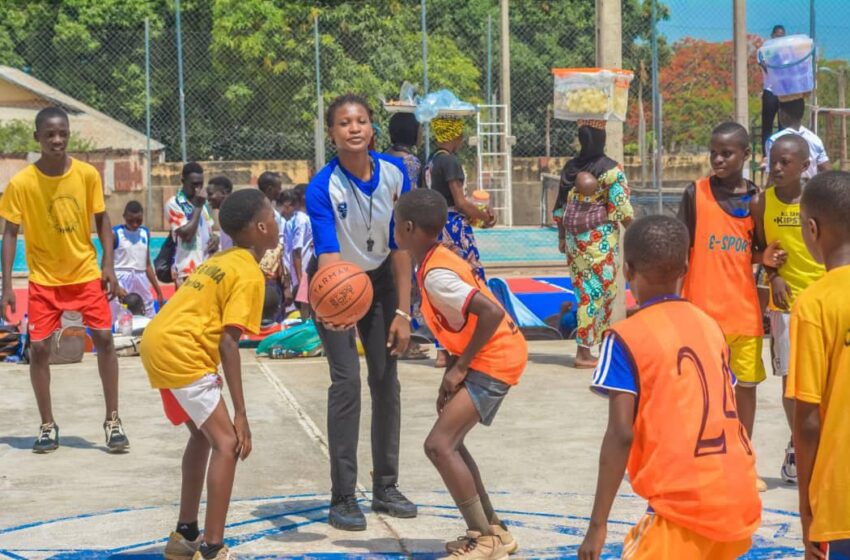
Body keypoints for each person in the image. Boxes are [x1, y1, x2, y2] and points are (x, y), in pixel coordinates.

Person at [578, 215, 761, 560]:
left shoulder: (625, 338)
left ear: (627, 270)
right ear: (687, 266)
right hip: (738, 496)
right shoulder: (709, 327)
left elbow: (620, 434)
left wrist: (597, 525)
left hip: (684, 506)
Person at [141, 188, 279, 560]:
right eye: (274, 215)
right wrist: (240, 413)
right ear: (263, 227)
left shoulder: (223, 258)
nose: (279, 221)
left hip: (158, 340)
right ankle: (213, 548)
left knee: (203, 439)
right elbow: (228, 344)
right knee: (227, 443)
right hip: (182, 351)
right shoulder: (249, 273)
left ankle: (185, 535)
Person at [395, 188, 526, 559]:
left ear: (406, 227)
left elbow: (490, 312)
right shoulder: (436, 259)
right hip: (490, 355)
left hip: (495, 358)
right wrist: (452, 370)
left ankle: (482, 538)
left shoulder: (437, 274)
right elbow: (464, 322)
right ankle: (495, 531)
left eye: (395, 224)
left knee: (439, 445)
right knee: (450, 442)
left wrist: (462, 367)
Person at [306, 93, 416, 531]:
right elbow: (329, 258)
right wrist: (340, 308)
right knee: (347, 381)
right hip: (336, 283)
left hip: (383, 280)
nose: (354, 128)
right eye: (344, 123)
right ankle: (343, 496)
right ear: (332, 133)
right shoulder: (322, 187)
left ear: (373, 128)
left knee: (386, 380)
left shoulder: (394, 174)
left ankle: (385, 487)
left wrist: (404, 313)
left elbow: (402, 245)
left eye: (361, 121)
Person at [0, 106, 128, 453]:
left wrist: (108, 265)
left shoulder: (87, 175)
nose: (57, 140)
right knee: (39, 349)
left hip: (85, 273)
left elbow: (102, 220)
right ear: (37, 137)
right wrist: (8, 285)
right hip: (44, 279)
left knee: (104, 339)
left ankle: (113, 419)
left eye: (63, 134)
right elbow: (10, 233)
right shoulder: (22, 183)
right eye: (50, 134)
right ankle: (47, 425)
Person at [679, 122, 774, 492]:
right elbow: (680, 249)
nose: (718, 159)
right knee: (699, 392)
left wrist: (764, 256)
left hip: (743, 313)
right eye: (714, 152)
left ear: (745, 156)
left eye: (727, 153)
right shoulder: (695, 193)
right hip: (699, 314)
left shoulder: (757, 200)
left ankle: (742, 459)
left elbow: (759, 251)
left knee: (744, 390)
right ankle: (697, 460)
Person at [752, 134, 825, 485]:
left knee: (826, 381)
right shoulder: (761, 203)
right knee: (790, 385)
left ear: (805, 166)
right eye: (773, 160)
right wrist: (773, 274)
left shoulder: (818, 202)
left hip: (822, 304)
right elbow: (760, 249)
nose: (777, 168)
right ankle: (799, 442)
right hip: (783, 307)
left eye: (786, 162)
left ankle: (824, 444)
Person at [787, 171, 850, 559]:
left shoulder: (814, 304)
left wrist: (807, 510)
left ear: (812, 229)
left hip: (843, 494)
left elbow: (807, 417)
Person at [555, 120, 634, 368]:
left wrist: (561, 237)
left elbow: (560, 208)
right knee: (601, 293)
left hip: (574, 241)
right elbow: (621, 209)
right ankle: (585, 351)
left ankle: (591, 347)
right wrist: (639, 235)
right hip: (600, 242)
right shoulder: (611, 170)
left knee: (584, 292)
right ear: (602, 140)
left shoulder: (570, 169)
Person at [422, 116, 495, 367]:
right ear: (453, 136)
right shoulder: (450, 161)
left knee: (442, 284)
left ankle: (443, 348)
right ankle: (472, 344)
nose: (462, 139)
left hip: (435, 225)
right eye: (460, 134)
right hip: (453, 226)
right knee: (470, 281)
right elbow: (461, 202)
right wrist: (484, 215)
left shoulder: (430, 162)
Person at [166, 162, 216, 286]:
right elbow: (187, 235)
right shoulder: (174, 203)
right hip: (186, 272)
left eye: (200, 184)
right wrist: (198, 206)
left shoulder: (203, 204)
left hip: (206, 269)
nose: (198, 188)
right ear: (183, 180)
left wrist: (215, 238)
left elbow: (208, 231)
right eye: (194, 184)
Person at [111, 200, 163, 320]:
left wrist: (158, 291)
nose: (135, 224)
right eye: (131, 220)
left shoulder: (145, 233)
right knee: (120, 313)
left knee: (148, 310)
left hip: (141, 278)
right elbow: (107, 264)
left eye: (138, 221)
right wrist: (116, 286)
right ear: (124, 217)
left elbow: (147, 265)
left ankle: (147, 337)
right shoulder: (116, 233)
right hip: (121, 278)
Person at [764, 98, 830, 180]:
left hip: (785, 191)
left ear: (782, 114)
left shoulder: (775, 140)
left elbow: (773, 175)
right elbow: (827, 173)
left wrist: (765, 192)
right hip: (809, 190)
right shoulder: (815, 139)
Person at [286, 185, 313, 319]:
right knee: (305, 306)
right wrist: (300, 278)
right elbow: (297, 250)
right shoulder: (301, 220)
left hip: (307, 267)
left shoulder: (303, 217)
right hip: (303, 269)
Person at [761, 24, 786, 158]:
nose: (779, 37)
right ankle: (766, 155)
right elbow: (766, 67)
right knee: (767, 125)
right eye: (777, 34)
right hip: (770, 91)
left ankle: (781, 153)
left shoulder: (788, 52)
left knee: (783, 125)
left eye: (782, 35)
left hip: (784, 92)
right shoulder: (765, 49)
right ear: (772, 35)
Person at [386, 112, 422, 189]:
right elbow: (412, 192)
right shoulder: (410, 162)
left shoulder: (384, 155)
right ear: (412, 132)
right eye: (420, 129)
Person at [207, 175, 234, 251]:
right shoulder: (224, 213)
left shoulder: (234, 213)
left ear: (223, 192)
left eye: (210, 194)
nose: (207, 198)